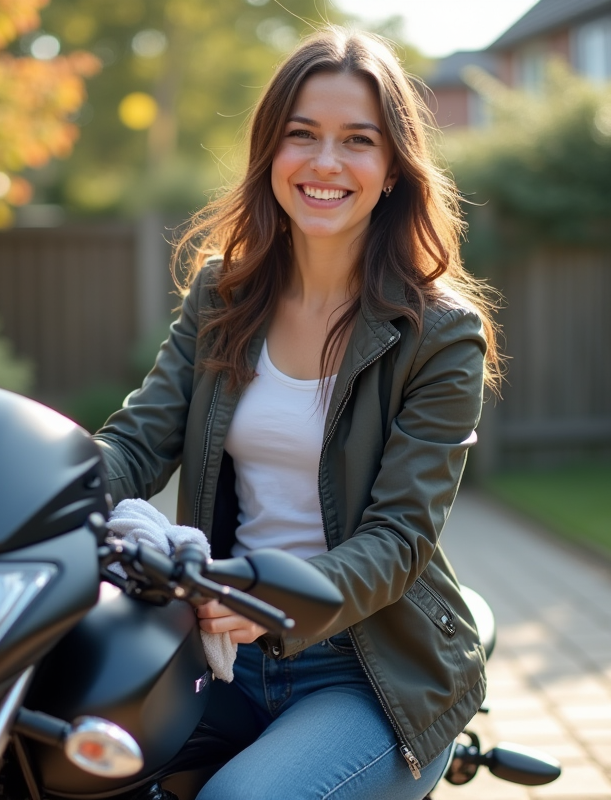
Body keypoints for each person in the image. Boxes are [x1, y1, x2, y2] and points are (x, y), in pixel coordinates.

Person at [93, 25, 502, 800]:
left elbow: (399, 538)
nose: (325, 163)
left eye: (357, 141)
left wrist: (273, 593)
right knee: (62, 753)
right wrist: (41, 482)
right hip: (219, 649)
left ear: (391, 171)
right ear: (269, 155)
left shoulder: (442, 335)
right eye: (302, 135)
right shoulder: (225, 294)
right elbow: (138, 440)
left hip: (370, 668)